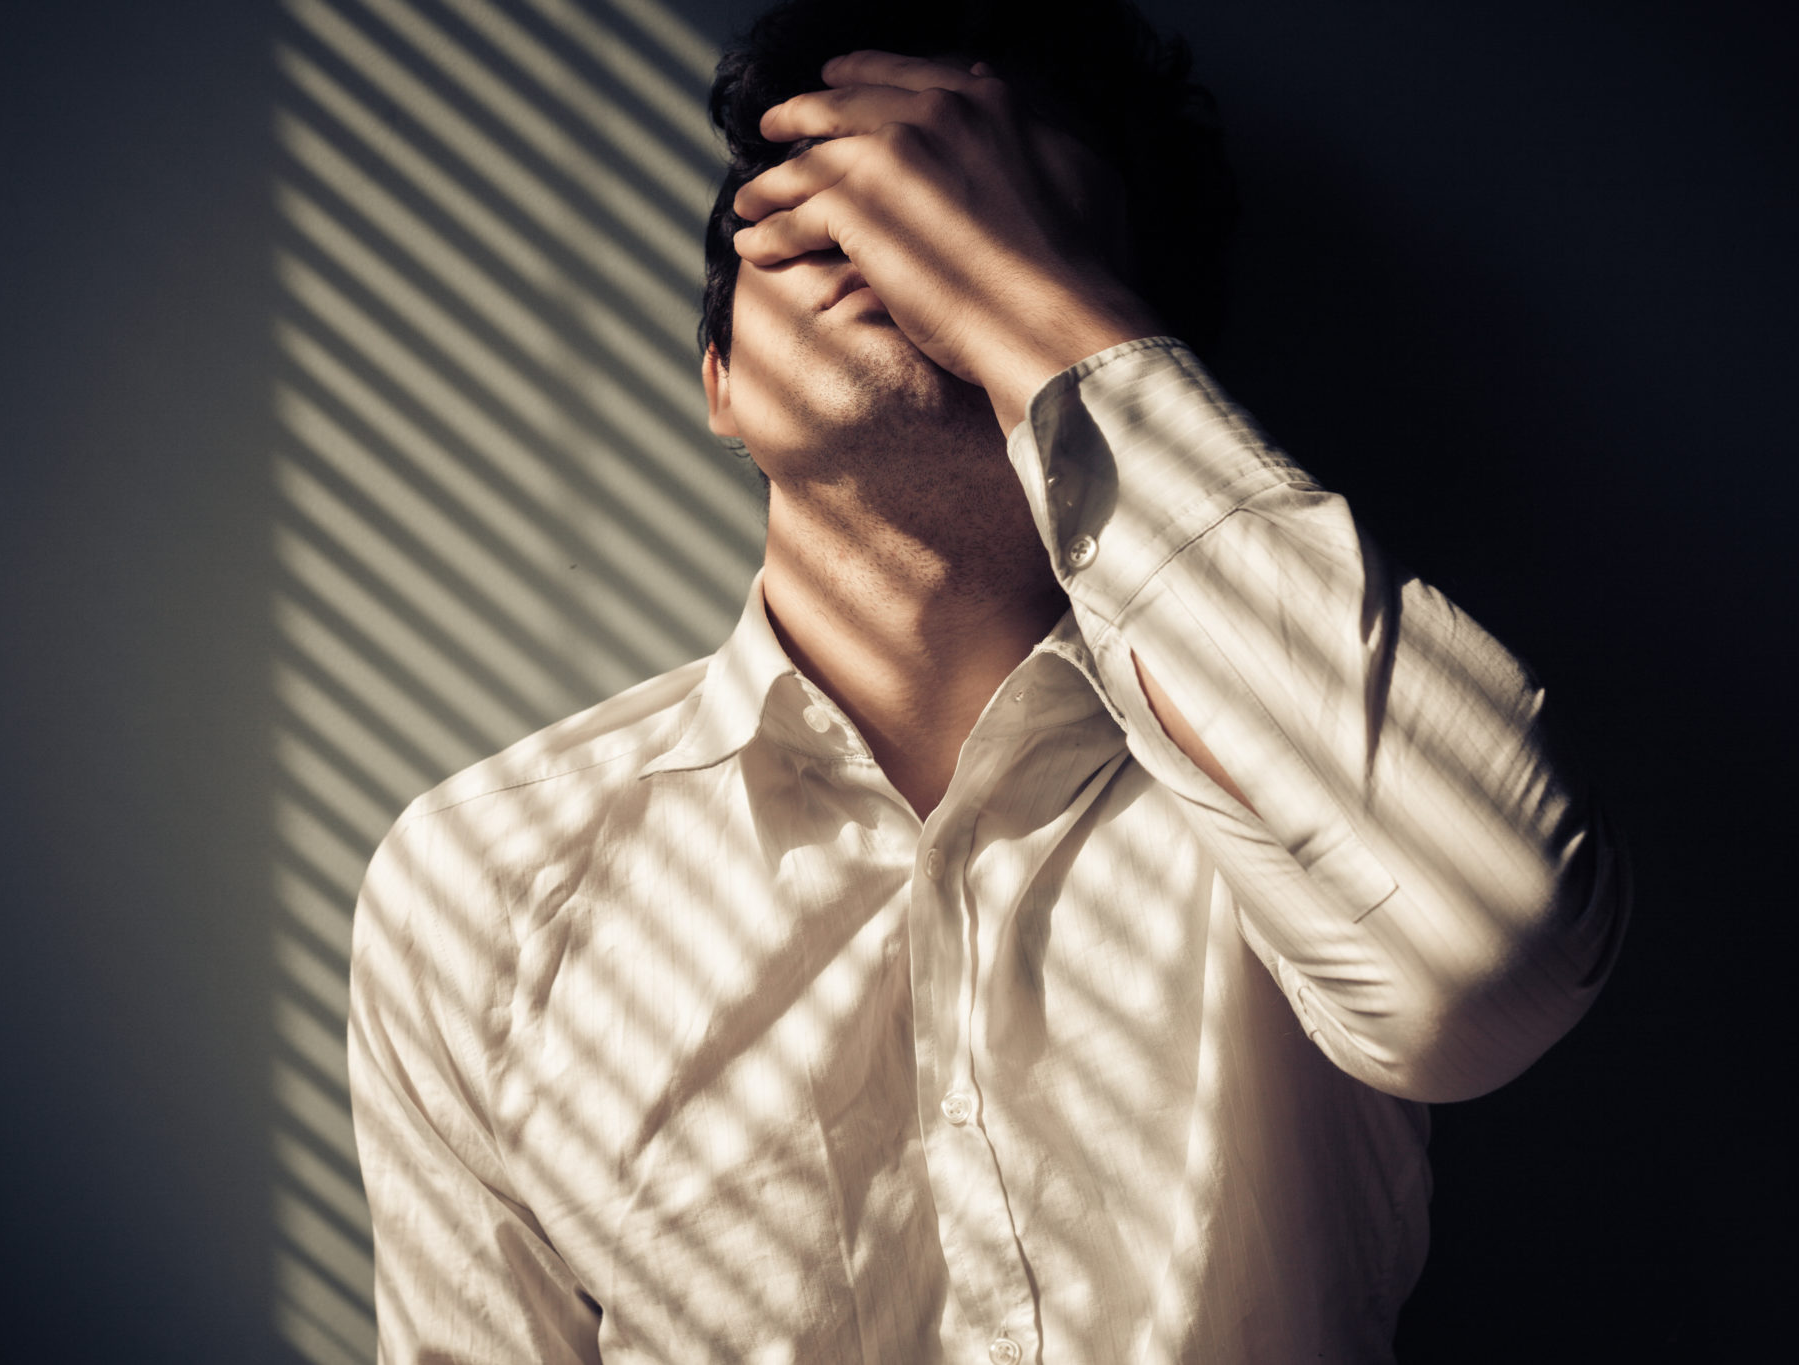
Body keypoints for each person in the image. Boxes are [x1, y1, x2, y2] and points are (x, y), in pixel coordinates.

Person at [346, 1, 1630, 1360]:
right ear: (717, 378)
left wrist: (1032, 307)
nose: (891, 238)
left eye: (969, 204)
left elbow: (1496, 958)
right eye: (820, 203)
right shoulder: (480, 886)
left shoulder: (1295, 789)